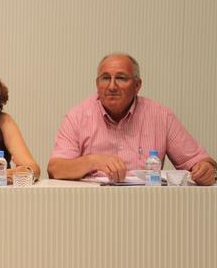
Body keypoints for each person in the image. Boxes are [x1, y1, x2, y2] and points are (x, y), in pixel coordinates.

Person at [47, 53, 216, 185]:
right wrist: (92, 161)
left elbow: (199, 161)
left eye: (121, 78)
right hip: (93, 204)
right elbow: (55, 169)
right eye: (105, 78)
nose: (112, 86)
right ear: (97, 85)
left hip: (147, 206)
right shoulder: (77, 116)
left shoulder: (161, 117)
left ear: (137, 85)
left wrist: (205, 169)